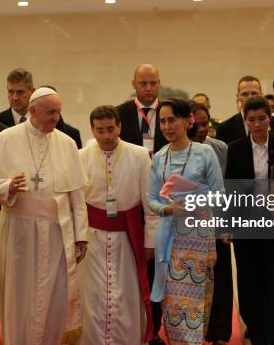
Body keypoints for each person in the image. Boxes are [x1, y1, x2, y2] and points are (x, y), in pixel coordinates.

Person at [0, 87, 88, 345]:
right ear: (32, 111)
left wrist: (81, 235)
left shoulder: (66, 143)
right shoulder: (6, 139)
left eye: (59, 111)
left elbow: (77, 195)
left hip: (57, 234)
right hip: (18, 233)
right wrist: (6, 187)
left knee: (55, 296)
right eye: (51, 112)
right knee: (20, 296)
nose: (56, 117)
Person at [77, 105, 156, 344]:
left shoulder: (140, 155)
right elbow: (77, 202)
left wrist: (149, 241)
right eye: (100, 130)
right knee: (92, 295)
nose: (106, 136)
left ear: (119, 126)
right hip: (92, 238)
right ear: (92, 130)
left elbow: (150, 204)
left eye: (111, 129)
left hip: (127, 237)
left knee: (125, 295)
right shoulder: (81, 156)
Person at [148, 97, 222, 345]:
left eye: (172, 120)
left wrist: (188, 204)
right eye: (163, 121)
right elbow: (151, 199)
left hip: (199, 238)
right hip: (170, 237)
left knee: (198, 303)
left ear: (186, 121)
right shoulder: (159, 157)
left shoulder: (205, 152)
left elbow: (218, 194)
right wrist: (168, 209)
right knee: (173, 304)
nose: (167, 126)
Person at [225, 96, 274, 345]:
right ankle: (256, 328)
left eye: (262, 119)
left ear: (269, 118)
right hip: (246, 222)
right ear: (245, 120)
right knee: (249, 279)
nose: (257, 124)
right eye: (251, 120)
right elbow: (230, 189)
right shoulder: (237, 148)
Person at [116, 63, 167, 344]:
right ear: (133, 83)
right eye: (143, 83)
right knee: (135, 271)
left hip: (166, 201)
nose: (148, 88)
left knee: (159, 269)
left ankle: (155, 329)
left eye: (153, 83)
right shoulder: (120, 113)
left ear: (159, 83)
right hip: (132, 205)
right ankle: (134, 326)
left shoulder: (170, 112)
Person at [188, 101, 232, 345]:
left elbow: (227, 187)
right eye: (199, 124)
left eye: (207, 123)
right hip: (189, 226)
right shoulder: (176, 149)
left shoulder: (220, 147)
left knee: (222, 278)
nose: (203, 128)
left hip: (217, 223)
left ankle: (221, 332)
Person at [215, 76, 274, 144]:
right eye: (245, 94)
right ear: (238, 97)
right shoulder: (224, 129)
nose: (250, 98)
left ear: (261, 95)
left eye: (254, 93)